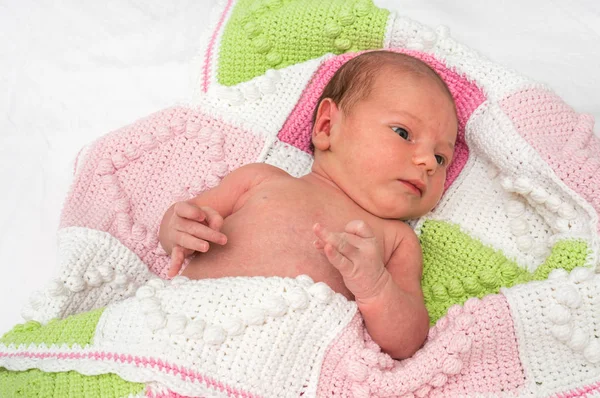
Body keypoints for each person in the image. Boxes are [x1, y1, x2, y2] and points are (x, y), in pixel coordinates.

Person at [158, 50, 458, 359]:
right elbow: (177, 233)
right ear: (327, 126)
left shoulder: (397, 240)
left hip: (277, 360)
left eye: (441, 157)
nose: (427, 163)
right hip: (184, 327)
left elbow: (407, 341)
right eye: (403, 133)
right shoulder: (260, 180)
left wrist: (376, 287)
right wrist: (180, 228)